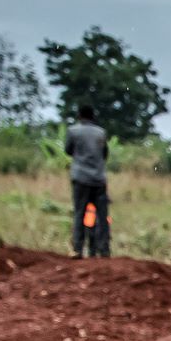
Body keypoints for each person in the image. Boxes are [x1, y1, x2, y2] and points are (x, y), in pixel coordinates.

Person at [65, 104, 111, 259]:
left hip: (80, 178)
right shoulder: (101, 133)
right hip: (98, 179)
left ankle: (77, 249)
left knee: (79, 213)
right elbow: (104, 154)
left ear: (79, 116)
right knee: (102, 215)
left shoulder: (73, 131)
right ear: (93, 117)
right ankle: (104, 250)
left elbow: (68, 150)